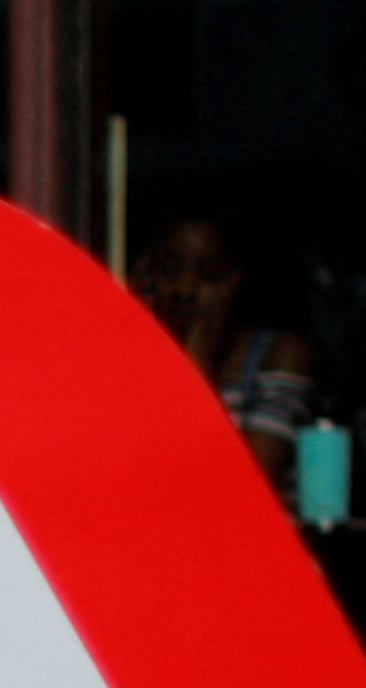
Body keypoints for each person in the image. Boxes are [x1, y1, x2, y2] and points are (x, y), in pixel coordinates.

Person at [127, 213, 321, 497]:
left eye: (208, 276)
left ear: (234, 280)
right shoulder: (130, 362)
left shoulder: (278, 355)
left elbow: (240, 487)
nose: (185, 290)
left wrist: (197, 361)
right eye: (168, 270)